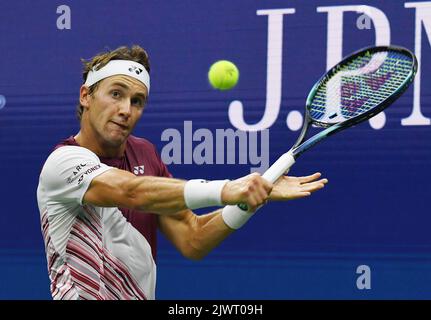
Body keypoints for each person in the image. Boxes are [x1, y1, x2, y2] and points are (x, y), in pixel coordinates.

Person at [36, 45, 328, 300]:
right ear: (86, 96)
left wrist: (248, 201)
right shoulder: (63, 162)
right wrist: (227, 189)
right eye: (116, 94)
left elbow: (194, 238)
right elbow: (132, 192)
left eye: (137, 101)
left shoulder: (145, 153)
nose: (126, 109)